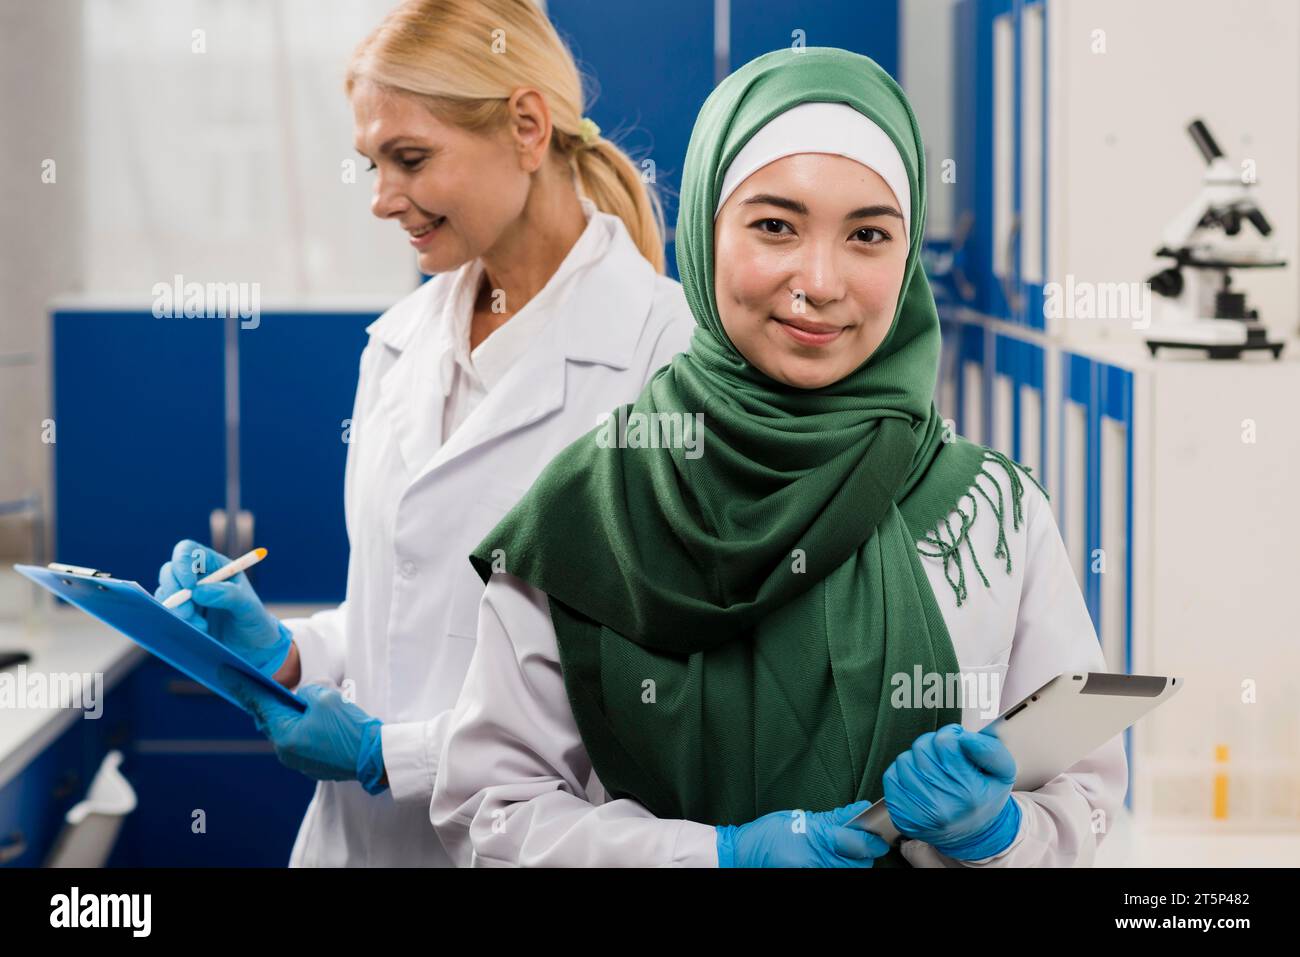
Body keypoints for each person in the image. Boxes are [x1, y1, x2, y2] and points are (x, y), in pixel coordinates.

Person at [430, 47, 1127, 867]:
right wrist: (714, 856)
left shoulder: (989, 512)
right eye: (774, 226)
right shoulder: (592, 506)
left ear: (906, 263)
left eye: (868, 234)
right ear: (705, 232)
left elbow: (1084, 799)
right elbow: (491, 812)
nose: (821, 280)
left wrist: (999, 834)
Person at [154, 0, 693, 866]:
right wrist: (290, 652)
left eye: (409, 159)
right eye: (371, 163)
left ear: (526, 126)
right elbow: (397, 622)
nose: (380, 200)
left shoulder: (663, 360)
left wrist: (387, 756)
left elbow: (642, 702)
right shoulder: (397, 345)